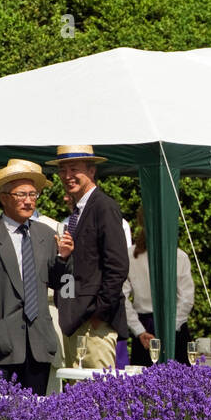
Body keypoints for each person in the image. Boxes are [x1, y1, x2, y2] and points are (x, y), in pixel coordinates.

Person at [0, 159, 71, 395]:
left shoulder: (47, 234)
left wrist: (64, 259)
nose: (29, 200)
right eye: (21, 194)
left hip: (39, 343)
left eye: (33, 194)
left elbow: (59, 283)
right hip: (1, 345)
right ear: (3, 197)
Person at [47, 144, 129, 369]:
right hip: (76, 322)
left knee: (95, 396)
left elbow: (118, 266)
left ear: (92, 171)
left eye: (74, 169)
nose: (67, 176)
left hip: (94, 325)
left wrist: (99, 313)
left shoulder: (104, 207)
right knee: (78, 395)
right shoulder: (78, 212)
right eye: (63, 171)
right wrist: (62, 259)